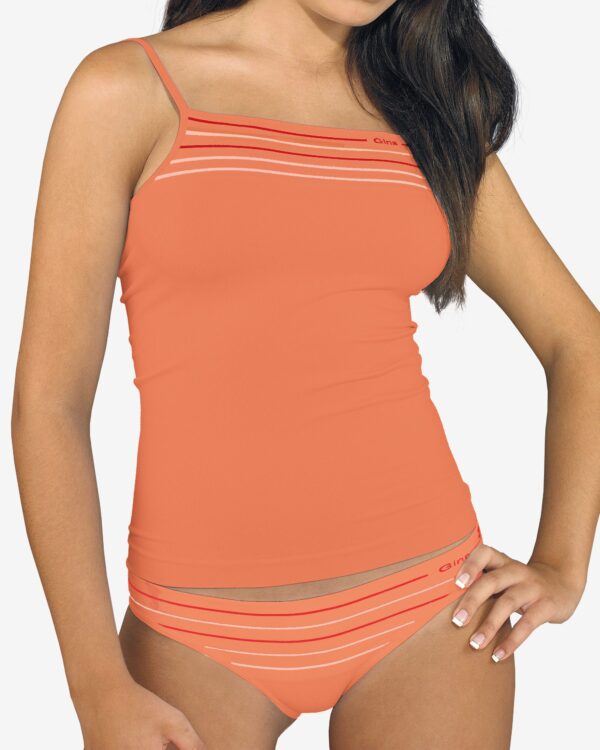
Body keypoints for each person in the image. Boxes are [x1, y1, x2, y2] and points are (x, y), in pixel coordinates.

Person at [11, 2, 599, 748]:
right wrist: (95, 684)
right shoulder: (128, 90)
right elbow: (50, 403)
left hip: (429, 610)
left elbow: (579, 340)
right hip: (194, 632)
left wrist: (562, 564)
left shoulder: (421, 108)